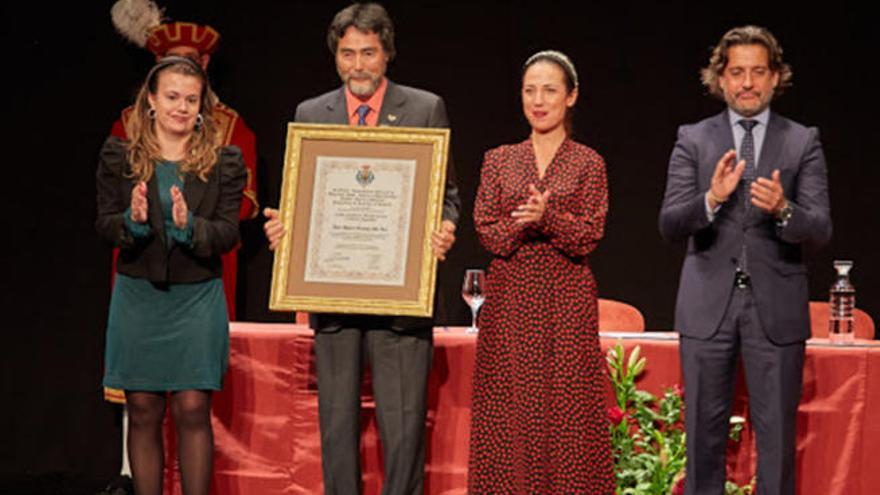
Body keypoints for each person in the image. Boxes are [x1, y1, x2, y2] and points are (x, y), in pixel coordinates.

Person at [263, 3, 460, 494]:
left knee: (404, 429)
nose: (358, 65)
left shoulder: (424, 108)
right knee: (336, 426)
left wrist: (445, 227)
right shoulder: (312, 114)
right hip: (334, 296)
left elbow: (448, 195)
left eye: (368, 53)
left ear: (387, 54)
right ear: (335, 57)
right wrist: (287, 232)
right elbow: (303, 198)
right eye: (348, 53)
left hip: (401, 297)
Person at [658, 26, 831, 495]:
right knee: (702, 443)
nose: (748, 83)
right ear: (721, 78)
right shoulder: (692, 139)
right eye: (737, 72)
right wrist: (711, 198)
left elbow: (819, 229)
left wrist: (783, 209)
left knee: (775, 446)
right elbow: (671, 223)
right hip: (706, 307)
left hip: (776, 309)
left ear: (776, 78)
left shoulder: (801, 141)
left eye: (758, 72)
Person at [95, 56, 246, 495]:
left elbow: (228, 234)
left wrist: (188, 226)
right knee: (142, 408)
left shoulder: (223, 161)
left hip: (196, 298)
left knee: (192, 407)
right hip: (138, 297)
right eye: (172, 97)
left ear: (202, 106)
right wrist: (133, 218)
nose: (181, 107)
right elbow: (105, 225)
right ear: (152, 101)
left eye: (191, 99)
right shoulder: (119, 155)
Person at [468, 50, 614, 493]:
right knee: (508, 409)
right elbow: (487, 230)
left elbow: (589, 235)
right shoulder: (499, 159)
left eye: (549, 90)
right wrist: (524, 222)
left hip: (566, 298)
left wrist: (547, 218)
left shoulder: (589, 162)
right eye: (530, 90)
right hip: (512, 296)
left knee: (568, 411)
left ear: (571, 97)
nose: (538, 100)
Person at [109, 14, 259, 322]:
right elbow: (111, 201)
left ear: (204, 64)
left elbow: (244, 203)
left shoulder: (231, 128)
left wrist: (189, 218)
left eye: (189, 60)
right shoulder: (127, 125)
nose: (181, 69)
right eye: (172, 60)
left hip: (203, 264)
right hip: (143, 261)